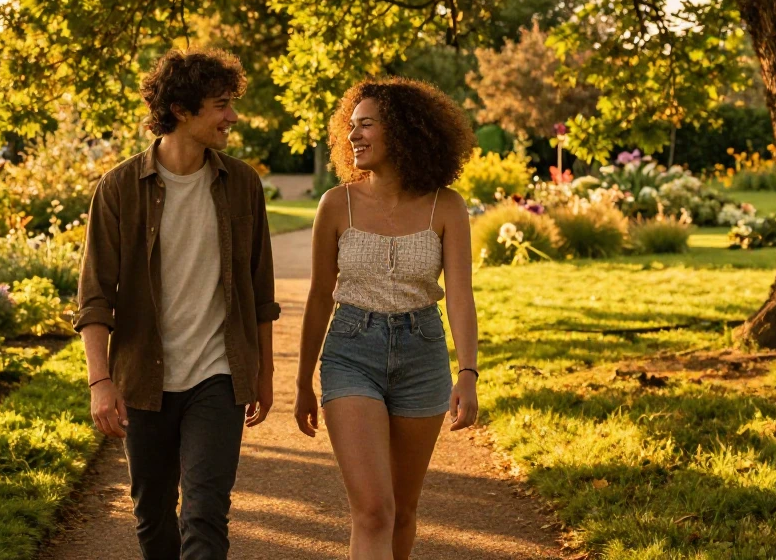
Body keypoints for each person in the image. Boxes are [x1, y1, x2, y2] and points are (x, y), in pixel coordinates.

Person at [75, 48, 278, 560]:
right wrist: (101, 382)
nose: (231, 116)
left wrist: (264, 371)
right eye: (221, 105)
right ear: (183, 110)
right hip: (144, 378)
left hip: (218, 374)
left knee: (205, 512)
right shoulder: (120, 187)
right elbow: (95, 295)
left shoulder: (242, 184)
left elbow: (260, 291)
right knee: (152, 513)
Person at [293, 77, 480, 559]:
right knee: (373, 510)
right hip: (351, 351)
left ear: (402, 131)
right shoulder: (337, 204)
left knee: (403, 510)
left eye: (367, 125)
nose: (354, 136)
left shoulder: (447, 206)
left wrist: (468, 374)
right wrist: (301, 382)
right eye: (350, 127)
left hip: (423, 354)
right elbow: (319, 297)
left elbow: (460, 295)